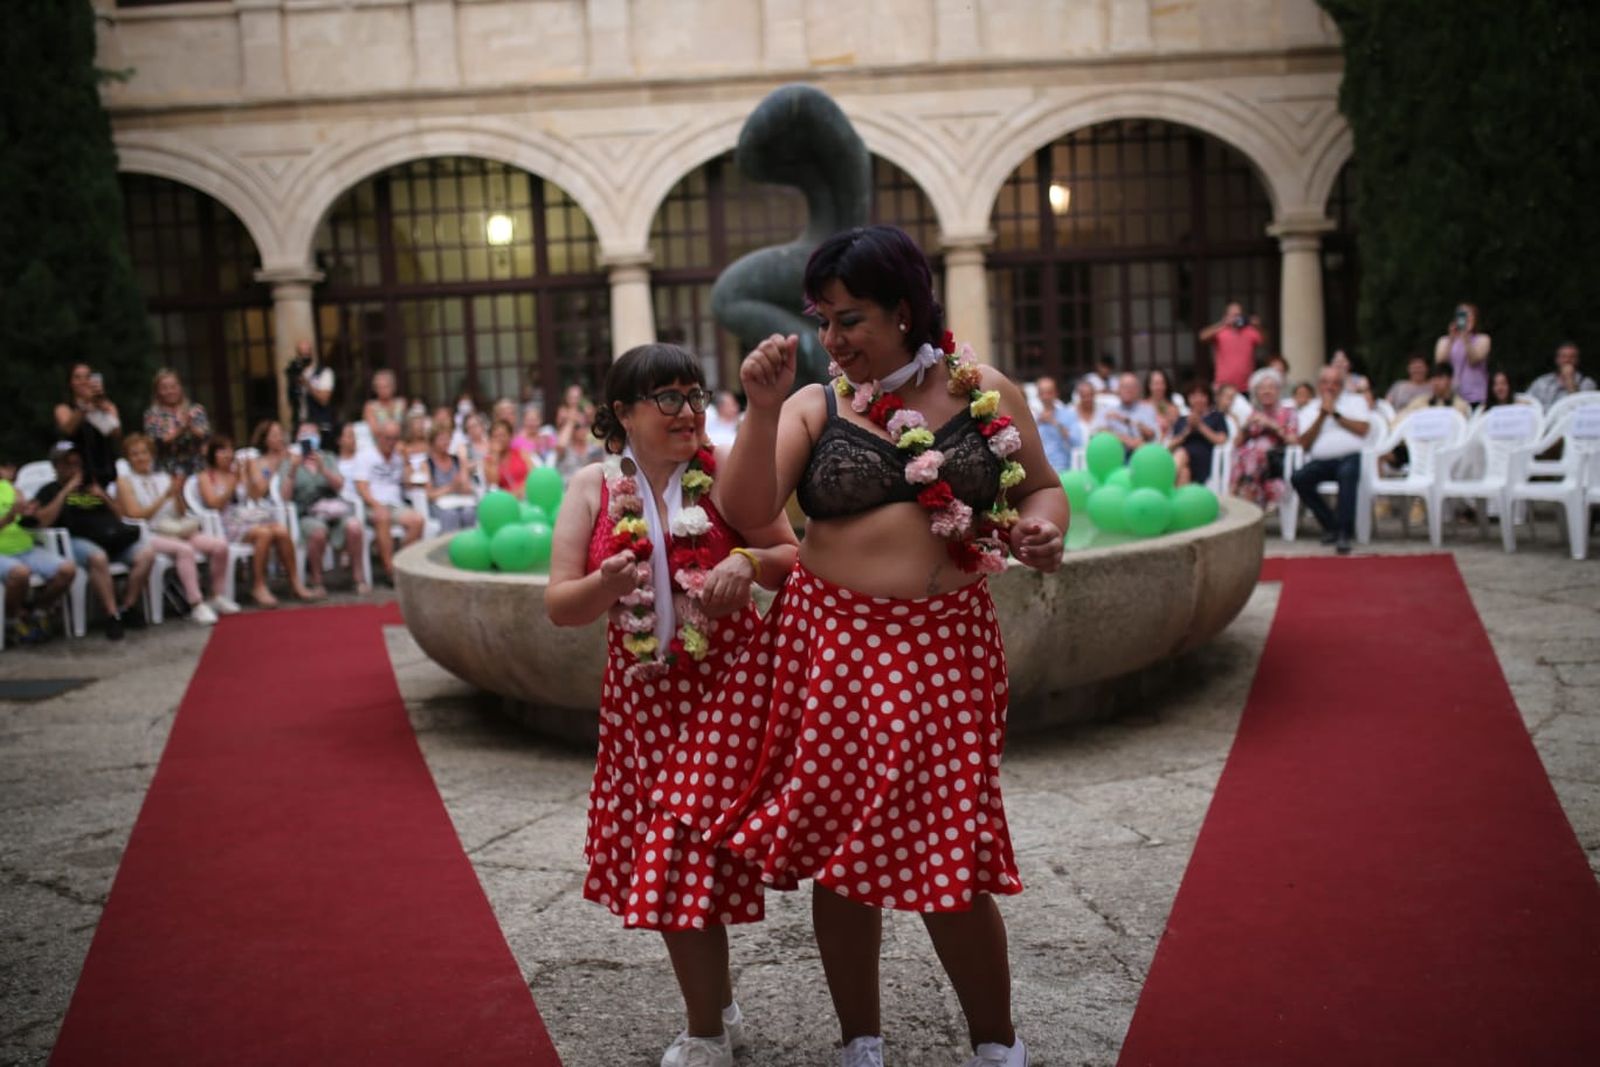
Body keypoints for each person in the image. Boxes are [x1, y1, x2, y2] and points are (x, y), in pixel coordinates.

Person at [662, 226, 1066, 1067]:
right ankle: (861, 1043)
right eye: (825, 320)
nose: (833, 338)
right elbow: (747, 507)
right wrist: (762, 407)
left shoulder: (985, 391)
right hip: (837, 648)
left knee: (951, 845)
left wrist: (1042, 528)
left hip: (949, 650)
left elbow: (1042, 486)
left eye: (851, 319)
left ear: (906, 310)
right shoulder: (817, 404)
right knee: (845, 850)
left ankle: (998, 1045)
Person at [545, 344, 799, 1067]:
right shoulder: (592, 488)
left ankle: (708, 1032)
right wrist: (604, 585)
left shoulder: (726, 474)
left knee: (678, 861)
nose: (688, 411)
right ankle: (717, 1014)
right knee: (679, 864)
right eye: (668, 398)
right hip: (643, 709)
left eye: (695, 395)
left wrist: (745, 560)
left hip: (727, 700)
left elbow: (793, 557)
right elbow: (560, 604)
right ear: (622, 413)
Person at [26, 446, 155, 639]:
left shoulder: (93, 486)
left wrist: (103, 496)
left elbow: (121, 517)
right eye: (68, 464)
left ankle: (127, 607)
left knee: (146, 554)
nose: (74, 469)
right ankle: (112, 615)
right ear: (57, 466)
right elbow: (42, 522)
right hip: (76, 541)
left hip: (111, 539)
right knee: (98, 557)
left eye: (77, 464)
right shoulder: (49, 490)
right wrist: (66, 491)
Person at [115, 433, 239, 626]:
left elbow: (180, 512)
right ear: (128, 458)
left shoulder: (162, 477)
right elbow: (135, 514)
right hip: (149, 533)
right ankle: (196, 603)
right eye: (135, 454)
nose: (141, 458)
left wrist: (178, 495)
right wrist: (164, 497)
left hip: (174, 528)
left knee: (220, 546)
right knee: (185, 550)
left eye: (144, 453)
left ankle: (216, 595)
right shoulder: (125, 482)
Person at [197, 435, 316, 606]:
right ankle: (258, 586)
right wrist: (232, 483)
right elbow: (214, 504)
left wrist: (247, 475)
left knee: (281, 530)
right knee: (264, 534)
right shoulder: (206, 476)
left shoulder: (236, 472)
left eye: (229, 450)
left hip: (246, 518)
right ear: (212, 454)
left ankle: (295, 582)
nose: (227, 454)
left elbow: (255, 495)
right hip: (225, 524)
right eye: (221, 450)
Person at [1289, 366, 1372, 554]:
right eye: (1326, 382)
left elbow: (1363, 429)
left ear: (1342, 386)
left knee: (1347, 474)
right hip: (1322, 461)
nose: (1330, 387)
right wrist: (1321, 415)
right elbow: (1304, 443)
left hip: (1350, 456)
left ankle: (1343, 533)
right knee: (1299, 478)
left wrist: (1335, 414)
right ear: (1319, 385)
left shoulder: (1356, 401)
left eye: (1335, 383)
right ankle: (1332, 525)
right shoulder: (1310, 408)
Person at [285, 422, 368, 596]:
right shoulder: (290, 461)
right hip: (307, 514)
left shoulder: (328, 458)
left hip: (334, 510)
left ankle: (358, 578)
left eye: (313, 434)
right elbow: (285, 497)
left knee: (354, 527)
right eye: (304, 434)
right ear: (297, 438)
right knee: (318, 532)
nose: (309, 438)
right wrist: (292, 470)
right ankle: (317, 580)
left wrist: (323, 469)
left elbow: (339, 485)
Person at [0, 459, 77, 644]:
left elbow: (34, 523)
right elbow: (10, 518)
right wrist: (9, 517)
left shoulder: (13, 490)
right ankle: (13, 618)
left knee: (67, 570)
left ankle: (38, 610)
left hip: (26, 548)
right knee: (20, 574)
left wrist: (32, 512)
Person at [354, 422, 424, 585]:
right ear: (379, 437)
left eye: (394, 439)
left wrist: (406, 462)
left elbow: (408, 485)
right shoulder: (365, 456)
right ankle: (390, 572)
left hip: (396, 505)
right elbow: (361, 488)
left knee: (418, 520)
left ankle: (401, 563)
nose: (391, 443)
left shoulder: (398, 458)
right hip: (373, 505)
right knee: (383, 516)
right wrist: (376, 505)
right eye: (388, 438)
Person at [1230, 369, 1297, 509]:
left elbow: (1292, 440)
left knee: (1255, 451)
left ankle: (1238, 497)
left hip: (1277, 464)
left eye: (1271, 387)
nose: (1266, 391)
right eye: (1262, 388)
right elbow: (1236, 443)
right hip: (1252, 466)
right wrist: (1246, 427)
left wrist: (1271, 425)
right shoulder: (1254, 414)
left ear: (1278, 391)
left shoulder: (1288, 413)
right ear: (1256, 393)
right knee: (1240, 453)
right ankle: (1238, 493)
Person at [55, 363, 122, 490]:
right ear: (70, 382)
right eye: (78, 377)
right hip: (78, 474)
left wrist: (102, 406)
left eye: (87, 377)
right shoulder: (63, 408)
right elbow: (68, 429)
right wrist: (85, 404)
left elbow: (116, 432)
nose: (83, 381)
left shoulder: (107, 406)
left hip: (105, 467)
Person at [142, 368, 211, 476]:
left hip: (196, 467)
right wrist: (180, 430)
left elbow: (206, 435)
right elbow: (154, 442)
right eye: (164, 388)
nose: (170, 391)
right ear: (157, 391)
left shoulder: (196, 409)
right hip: (166, 468)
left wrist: (191, 427)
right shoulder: (152, 414)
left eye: (173, 387)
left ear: (180, 387)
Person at [1168, 383, 1230, 488]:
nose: (1198, 399)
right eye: (1194, 396)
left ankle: (1162, 483)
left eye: (1202, 395)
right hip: (1183, 460)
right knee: (1184, 472)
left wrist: (1200, 426)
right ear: (1188, 398)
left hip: (1205, 459)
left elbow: (1222, 440)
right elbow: (1170, 446)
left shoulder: (1216, 417)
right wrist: (1186, 431)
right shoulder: (1182, 420)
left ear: (1208, 398)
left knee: (1181, 453)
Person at [1199, 301, 1265, 392]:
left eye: (1238, 315)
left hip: (1246, 386)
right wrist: (1222, 323)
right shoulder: (1221, 331)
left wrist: (1258, 326)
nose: (1236, 318)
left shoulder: (1250, 330)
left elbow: (1263, 341)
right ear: (1226, 316)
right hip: (1223, 386)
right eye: (1233, 315)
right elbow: (1202, 336)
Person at [1433, 303, 1490, 406]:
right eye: (1462, 315)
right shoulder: (1444, 340)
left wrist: (1465, 337)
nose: (1465, 318)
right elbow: (1440, 364)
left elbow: (1474, 360)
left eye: (1469, 314)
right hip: (1452, 398)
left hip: (1476, 395)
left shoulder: (1483, 339)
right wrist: (1451, 339)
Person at [424, 425, 477, 532]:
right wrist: (451, 487)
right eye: (441, 439)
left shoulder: (456, 461)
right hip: (439, 505)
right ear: (433, 442)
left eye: (448, 439)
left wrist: (463, 463)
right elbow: (429, 495)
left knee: (469, 512)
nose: (446, 442)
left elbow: (467, 490)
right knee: (450, 515)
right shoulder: (427, 464)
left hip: (459, 501)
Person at [1099, 372, 1161, 454]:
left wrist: (1127, 421)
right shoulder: (1108, 410)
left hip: (1142, 454)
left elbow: (1152, 434)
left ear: (1138, 390)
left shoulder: (1147, 409)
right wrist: (1124, 440)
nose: (1128, 390)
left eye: (1132, 387)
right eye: (1124, 387)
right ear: (1118, 390)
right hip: (1117, 455)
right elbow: (1100, 431)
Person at [291, 339, 339, 443]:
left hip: (320, 424)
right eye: (301, 354)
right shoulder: (296, 376)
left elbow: (324, 400)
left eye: (307, 353)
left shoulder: (325, 373)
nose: (304, 357)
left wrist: (307, 384)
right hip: (302, 424)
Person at [1527, 342, 1595, 410]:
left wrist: (1570, 380)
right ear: (1557, 360)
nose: (1567, 360)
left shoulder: (1587, 383)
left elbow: (1582, 409)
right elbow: (1527, 402)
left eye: (1572, 357)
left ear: (1577, 360)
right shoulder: (1542, 381)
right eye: (1563, 356)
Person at [1032, 376, 1078, 472]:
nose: (1045, 397)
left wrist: (1054, 422)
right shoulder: (1032, 416)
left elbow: (1076, 442)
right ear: (1038, 395)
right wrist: (1037, 423)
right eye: (1042, 393)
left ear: (1056, 393)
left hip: (1062, 467)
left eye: (1049, 393)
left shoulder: (1068, 414)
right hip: (1039, 468)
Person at [1398, 361, 1471, 421]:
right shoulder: (1420, 402)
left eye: (1440, 378)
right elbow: (1400, 420)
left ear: (1450, 380)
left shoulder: (1460, 405)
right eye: (1433, 378)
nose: (1435, 382)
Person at [484, 418, 530, 497]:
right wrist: (495, 455)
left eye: (502, 435)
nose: (499, 439)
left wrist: (521, 490)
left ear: (510, 436)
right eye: (495, 436)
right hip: (504, 499)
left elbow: (533, 474)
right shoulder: (488, 461)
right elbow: (493, 484)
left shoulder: (521, 453)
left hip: (526, 494)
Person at [362, 369, 407, 439]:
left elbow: (407, 426)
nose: (383, 390)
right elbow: (375, 430)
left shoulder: (401, 403)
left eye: (386, 386)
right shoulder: (370, 406)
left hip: (402, 441)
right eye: (380, 387)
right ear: (375, 389)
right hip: (381, 442)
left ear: (393, 387)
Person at [1144, 368, 1184, 436]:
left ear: (1166, 385)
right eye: (1156, 383)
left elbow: (1177, 432)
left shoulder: (1173, 408)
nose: (1159, 387)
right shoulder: (1142, 406)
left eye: (1162, 383)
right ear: (1149, 385)